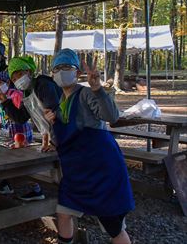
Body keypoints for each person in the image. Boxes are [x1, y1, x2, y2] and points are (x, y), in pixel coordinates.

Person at [43, 49, 134, 244]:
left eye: (67, 67)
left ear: (77, 73)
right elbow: (62, 139)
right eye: (57, 68)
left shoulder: (86, 94)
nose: (61, 71)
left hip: (101, 168)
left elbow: (112, 116)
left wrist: (98, 89)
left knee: (112, 224)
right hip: (77, 171)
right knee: (64, 212)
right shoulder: (60, 103)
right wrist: (52, 124)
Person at [0, 71, 33, 195]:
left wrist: (5, 99)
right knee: (8, 161)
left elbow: (21, 113)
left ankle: (30, 187)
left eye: (0, 82)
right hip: (9, 136)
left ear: (8, 82)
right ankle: (7, 185)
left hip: (22, 135)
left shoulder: (16, 94)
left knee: (23, 164)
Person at [3, 56, 62, 153]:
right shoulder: (27, 94)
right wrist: (5, 102)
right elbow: (21, 118)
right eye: (14, 79)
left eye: (20, 74)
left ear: (29, 71)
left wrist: (54, 142)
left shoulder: (43, 85)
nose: (18, 79)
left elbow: (54, 114)